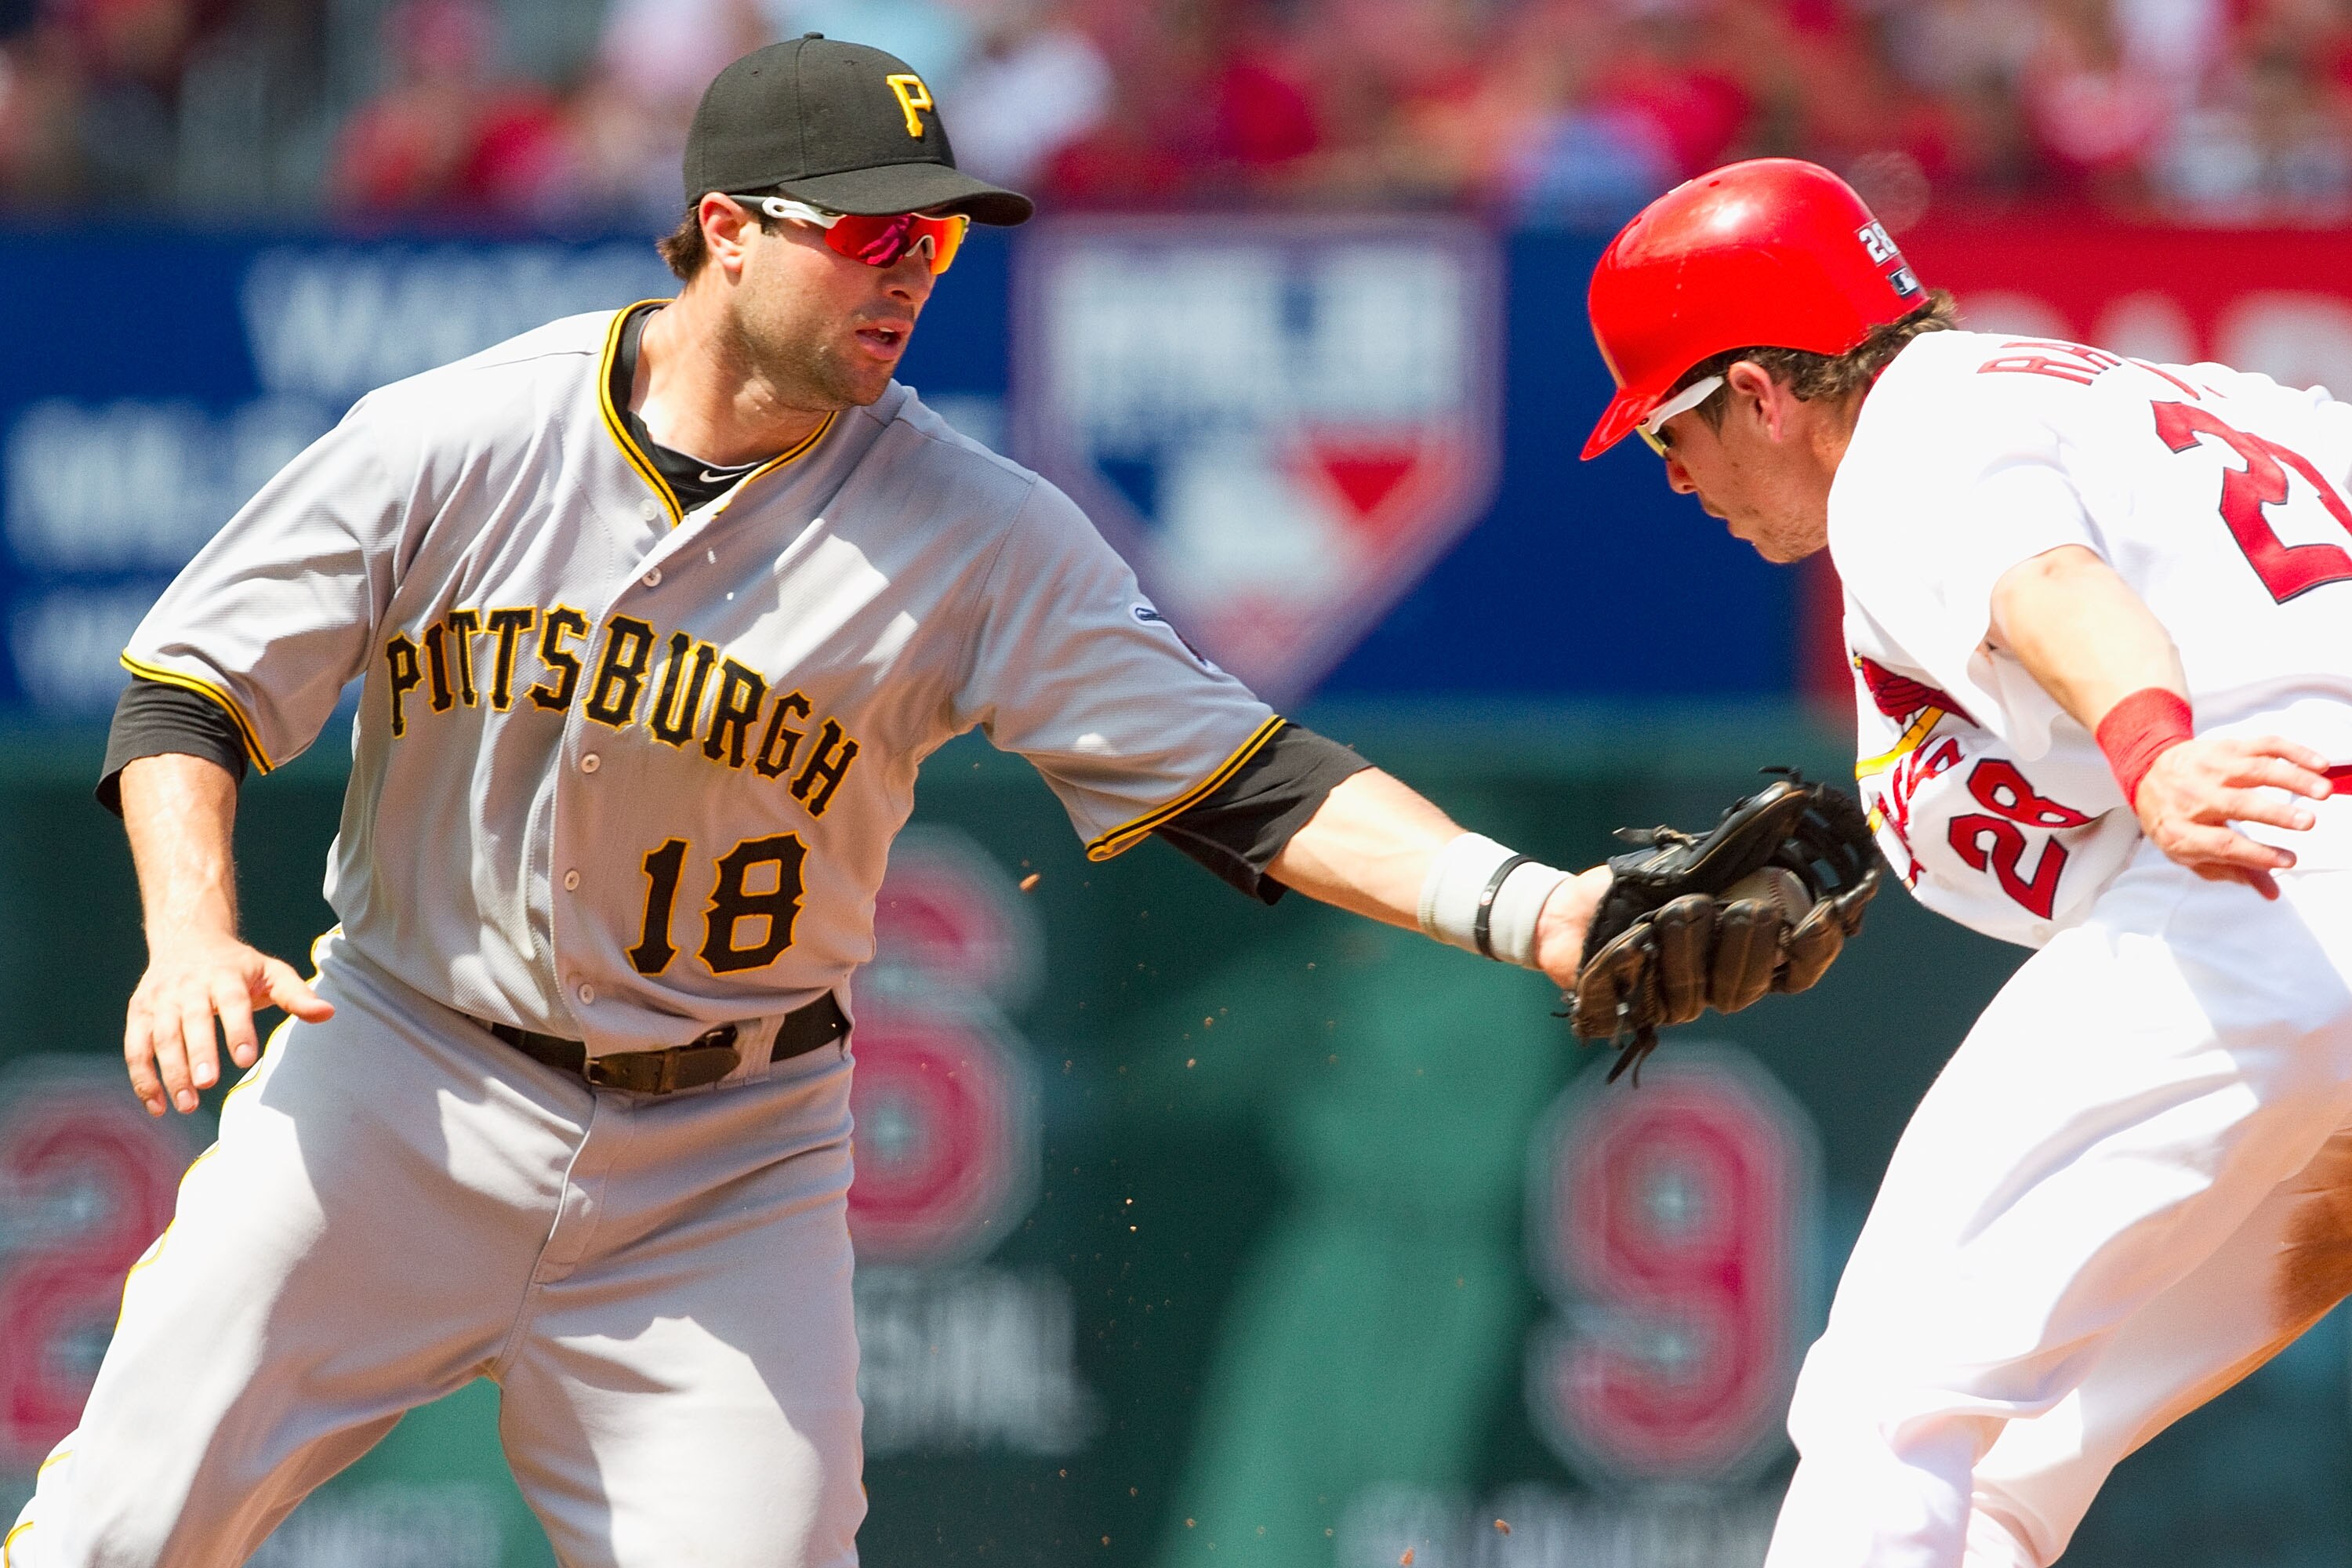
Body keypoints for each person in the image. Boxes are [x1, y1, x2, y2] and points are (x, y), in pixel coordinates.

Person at [8, 34, 1624, 1568]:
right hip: (403, 1083)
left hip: (723, 1163)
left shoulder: (976, 529)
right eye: (871, 232)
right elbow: (191, 688)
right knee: (114, 1536)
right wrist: (192, 931)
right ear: (725, 229)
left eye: (938, 243)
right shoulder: (461, 435)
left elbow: (1250, 780)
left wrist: (1532, 905)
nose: (910, 270)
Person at [1581, 154, 2352, 1566]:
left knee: (1888, 1406)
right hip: (2288, 936)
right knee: (2010, 1453)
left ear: (1760, 390)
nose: (1674, 475)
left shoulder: (1908, 442)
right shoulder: (2197, 402)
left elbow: (2049, 586)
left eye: (1667, 429)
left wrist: (2154, 746)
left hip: (2265, 879)